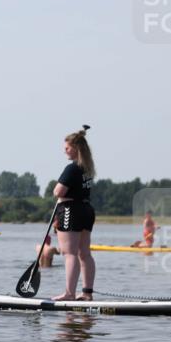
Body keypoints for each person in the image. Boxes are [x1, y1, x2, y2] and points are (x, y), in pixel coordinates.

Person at [52, 125, 96, 301]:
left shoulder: (72, 168)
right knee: (84, 253)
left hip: (71, 210)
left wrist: (57, 191)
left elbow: (58, 191)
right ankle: (87, 293)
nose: (65, 152)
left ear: (76, 148)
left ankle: (69, 294)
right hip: (86, 210)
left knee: (69, 253)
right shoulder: (87, 168)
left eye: (67, 148)